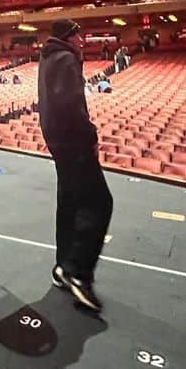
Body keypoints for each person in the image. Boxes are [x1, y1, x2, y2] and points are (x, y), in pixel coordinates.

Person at [38, 19, 112, 313]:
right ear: (69, 36)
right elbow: (72, 105)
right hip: (74, 144)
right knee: (100, 203)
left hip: (57, 142)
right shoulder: (67, 59)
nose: (82, 40)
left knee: (68, 202)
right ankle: (78, 273)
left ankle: (62, 266)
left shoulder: (47, 58)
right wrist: (90, 137)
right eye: (79, 35)